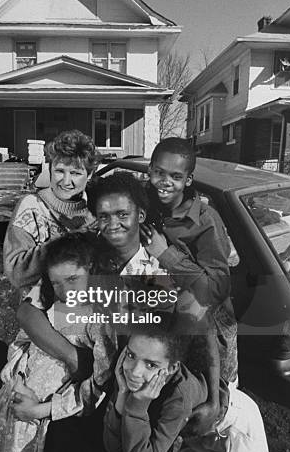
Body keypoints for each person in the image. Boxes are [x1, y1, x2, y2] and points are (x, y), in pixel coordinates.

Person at [0, 233, 117, 452]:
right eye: (56, 283)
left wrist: (41, 409)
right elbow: (20, 341)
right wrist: (15, 378)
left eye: (73, 279)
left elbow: (98, 383)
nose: (66, 290)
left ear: (93, 271)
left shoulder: (100, 319)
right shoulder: (51, 306)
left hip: (41, 420)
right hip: (11, 403)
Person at [87, 172, 221, 433]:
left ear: (140, 216)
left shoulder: (165, 268)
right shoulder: (96, 264)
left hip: (157, 390)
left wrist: (214, 401)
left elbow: (204, 331)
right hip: (112, 386)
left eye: (122, 214)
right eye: (104, 216)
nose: (113, 223)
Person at [103, 313, 273, 452]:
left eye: (150, 364)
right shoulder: (129, 378)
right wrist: (122, 396)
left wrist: (136, 406)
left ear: (172, 367)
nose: (134, 371)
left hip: (235, 428)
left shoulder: (179, 395)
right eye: (131, 355)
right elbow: (112, 446)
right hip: (194, 435)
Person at [142, 137, 238, 386]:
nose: (165, 182)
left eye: (175, 176)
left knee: (210, 401)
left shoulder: (206, 220)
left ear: (188, 180)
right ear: (149, 170)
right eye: (159, 172)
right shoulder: (146, 204)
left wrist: (165, 253)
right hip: (168, 320)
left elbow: (217, 288)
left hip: (210, 330)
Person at [3, 129, 98, 378]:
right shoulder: (31, 206)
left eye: (76, 173)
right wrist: (67, 241)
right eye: (60, 170)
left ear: (89, 175)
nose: (66, 180)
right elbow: (15, 272)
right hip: (40, 325)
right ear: (50, 167)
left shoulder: (90, 214)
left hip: (80, 319)